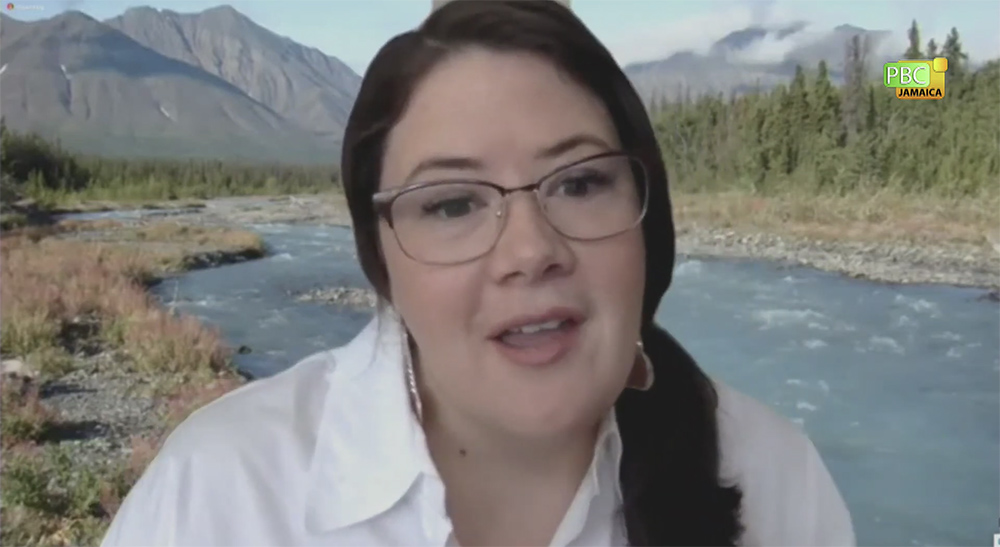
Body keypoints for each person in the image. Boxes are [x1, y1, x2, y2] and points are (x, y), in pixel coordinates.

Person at [100, 1, 855, 545]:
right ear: (381, 257)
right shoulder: (230, 491)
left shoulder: (773, 478)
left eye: (581, 183)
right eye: (453, 203)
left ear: (648, 223)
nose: (530, 250)